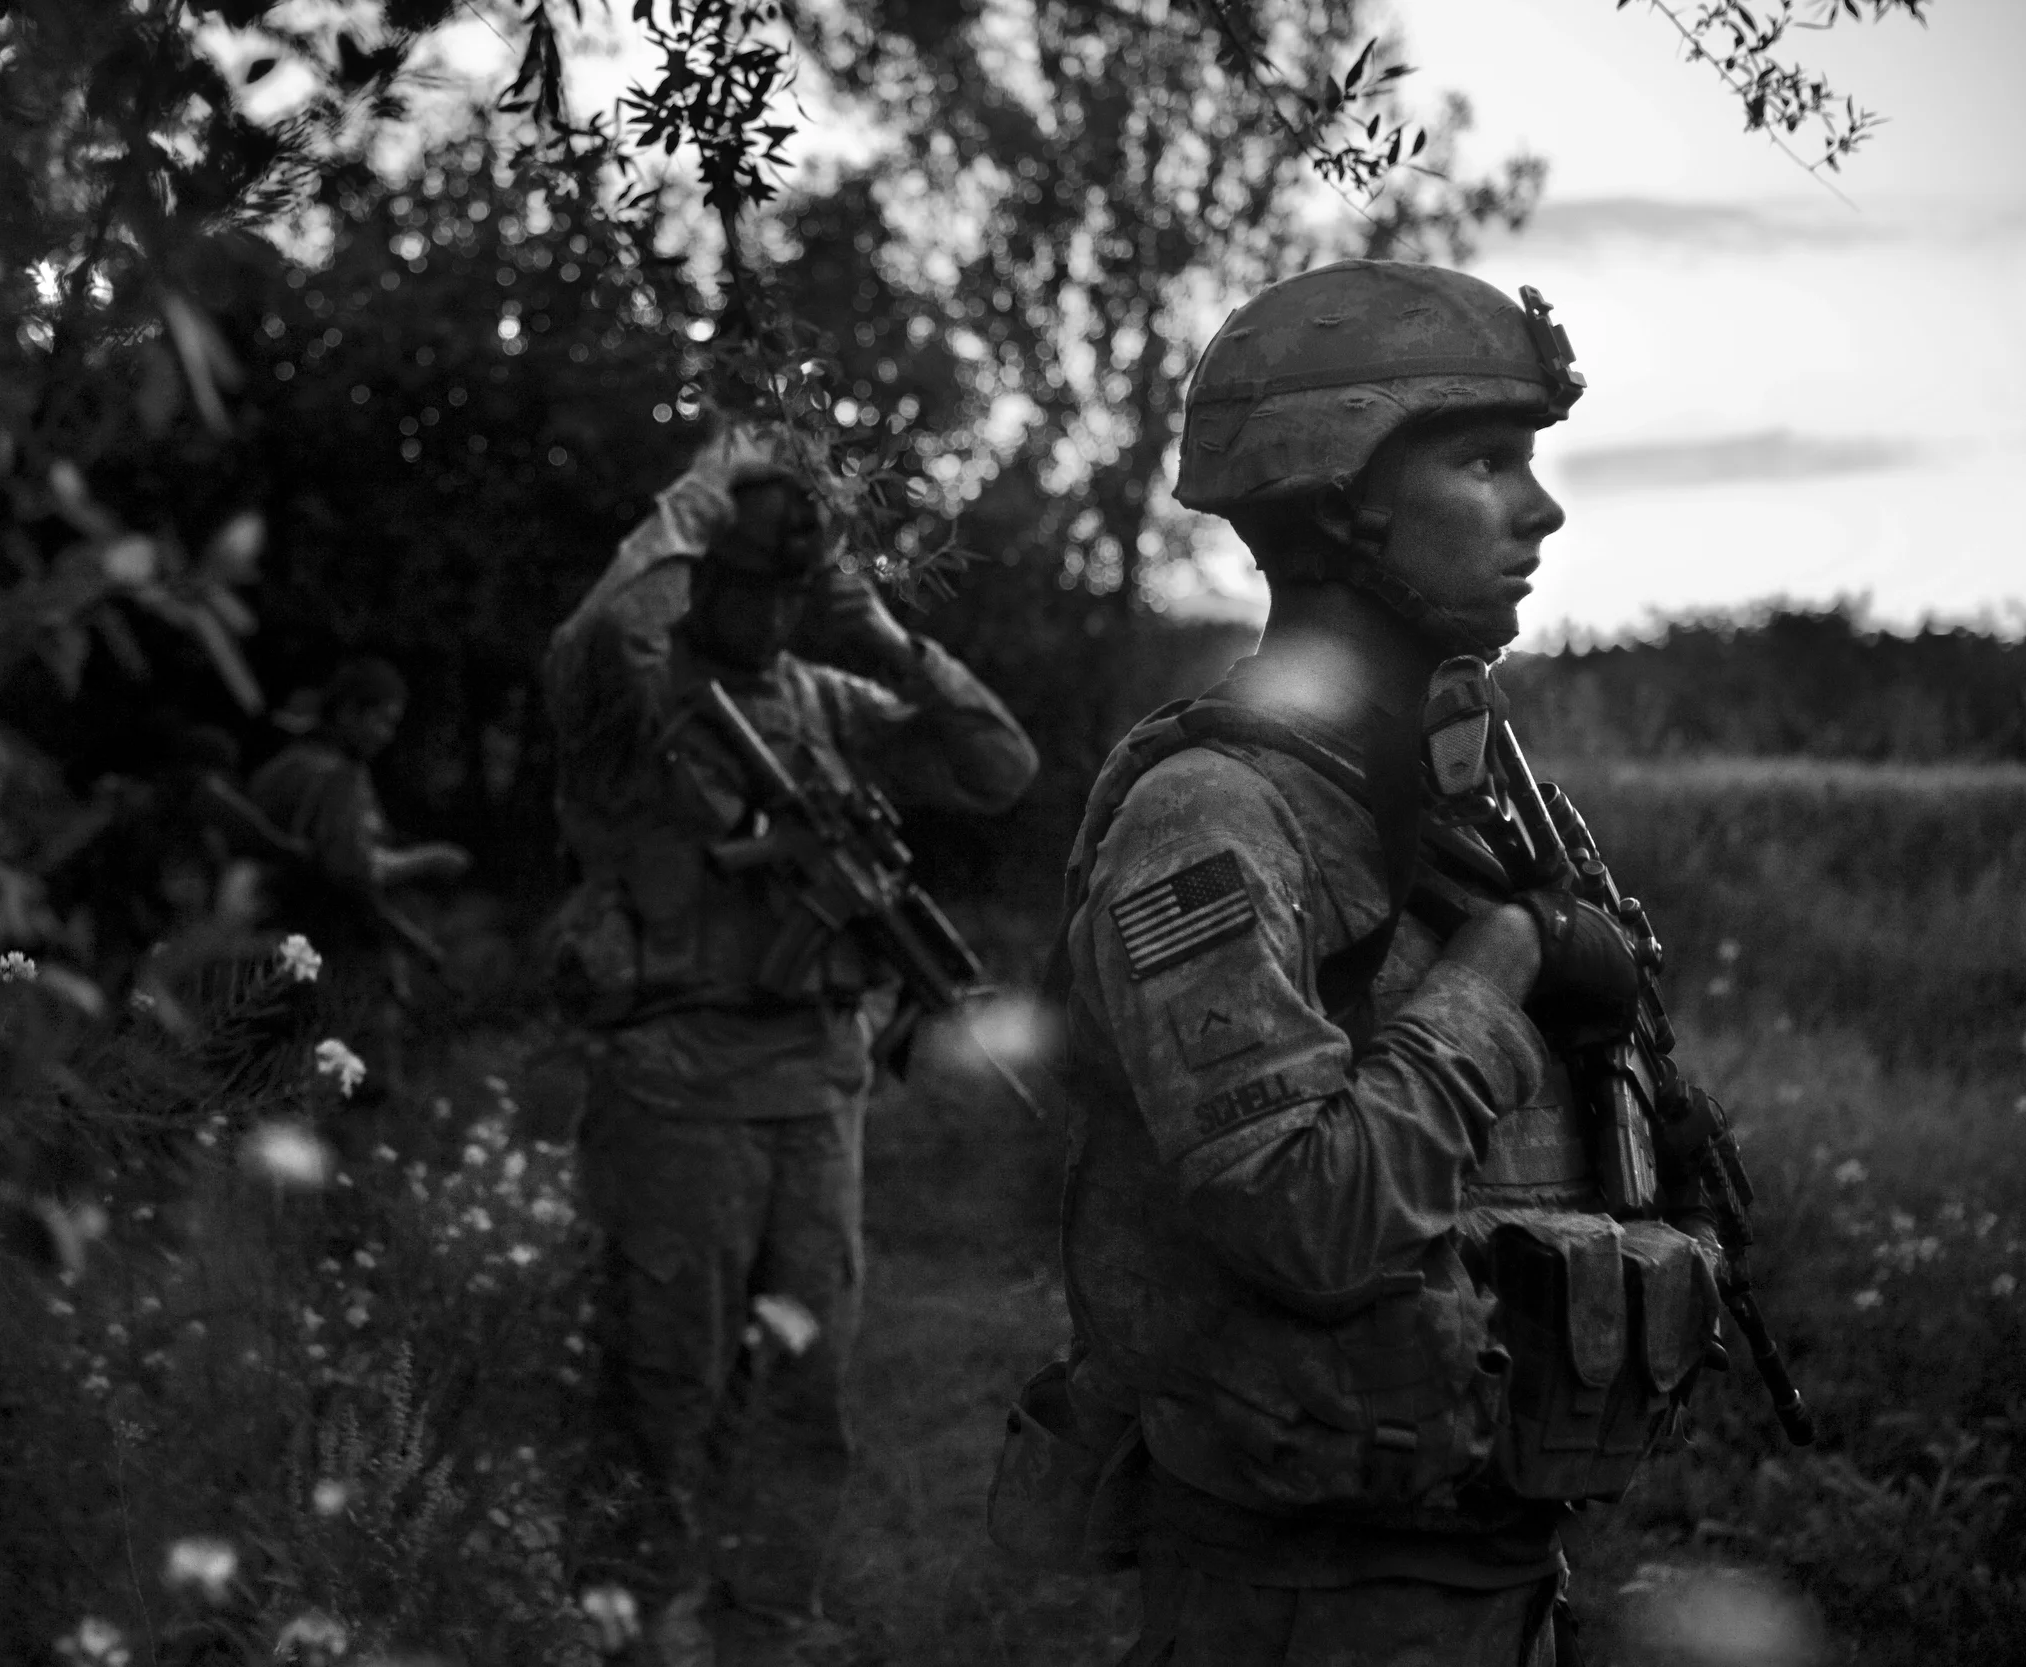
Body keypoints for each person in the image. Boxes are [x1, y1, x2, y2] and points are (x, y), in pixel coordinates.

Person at [1047, 261, 1723, 1666]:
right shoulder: (1215, 811)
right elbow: (1300, 1215)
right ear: (1338, 498)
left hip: (1483, 1566)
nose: (1539, 508)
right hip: (1308, 1602)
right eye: (1485, 461)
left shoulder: (1441, 799)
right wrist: (1511, 955)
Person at [544, 424, 1039, 1666]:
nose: (764, 612)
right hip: (673, 1095)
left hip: (815, 1093)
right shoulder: (633, 697)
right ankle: (629, 1621)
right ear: (700, 574)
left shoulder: (828, 700)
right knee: (659, 1378)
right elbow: (603, 633)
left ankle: (767, 1617)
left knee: (803, 1376)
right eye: (742, 582)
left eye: (787, 590)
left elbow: (997, 764)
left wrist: (872, 626)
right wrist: (698, 507)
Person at [251, 657, 471, 1089]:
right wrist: (427, 865)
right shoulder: (336, 777)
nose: (386, 736)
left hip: (267, 933)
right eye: (381, 721)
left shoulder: (286, 764)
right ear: (349, 712)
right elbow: (351, 873)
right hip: (323, 948)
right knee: (351, 1081)